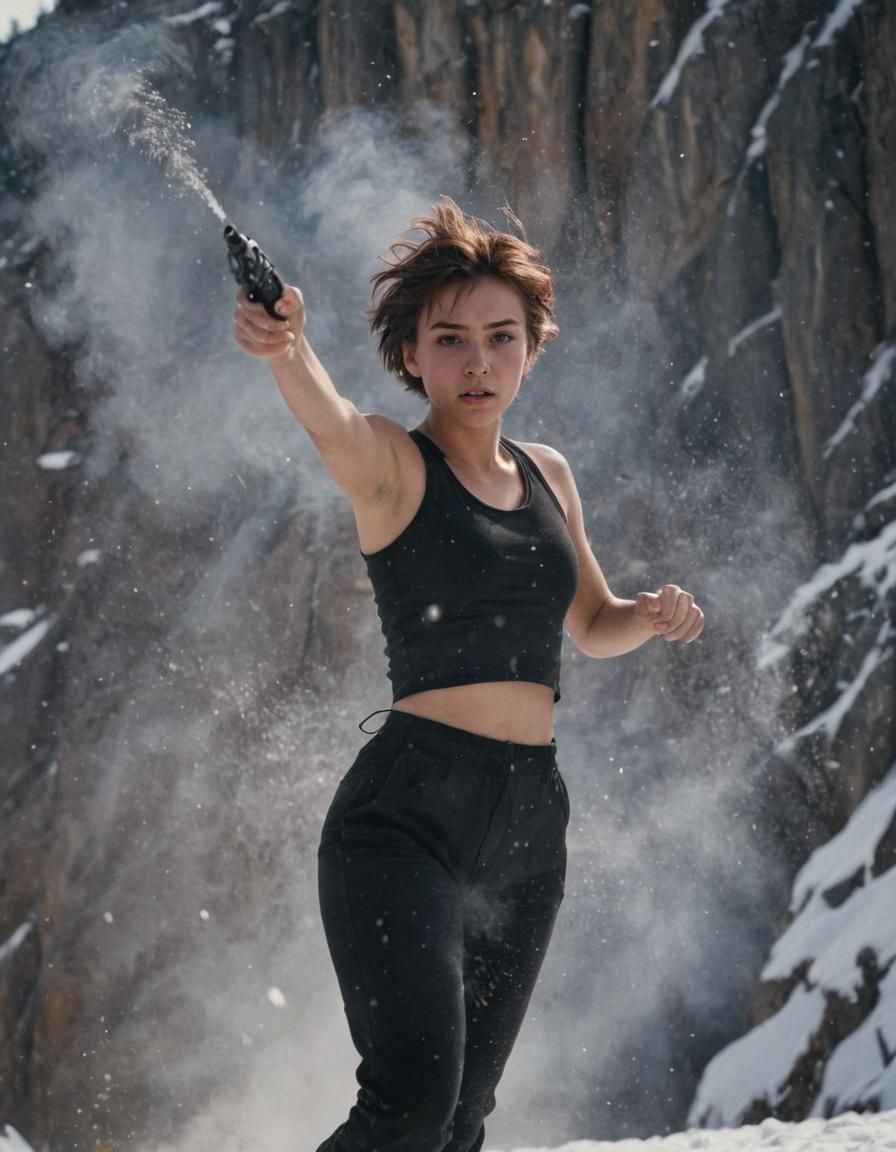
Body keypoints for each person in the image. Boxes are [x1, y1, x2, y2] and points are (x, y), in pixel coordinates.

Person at [232, 197, 704, 1152]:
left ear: (531, 347)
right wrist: (289, 350)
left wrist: (648, 617)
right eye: (450, 340)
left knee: (459, 1122)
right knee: (407, 1102)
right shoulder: (394, 466)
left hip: (532, 824)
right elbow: (329, 422)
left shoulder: (549, 475)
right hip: (405, 819)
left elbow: (592, 624)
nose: (478, 361)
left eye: (501, 336)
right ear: (411, 354)